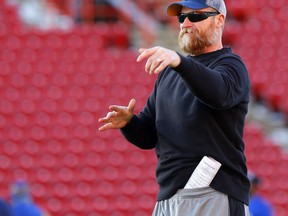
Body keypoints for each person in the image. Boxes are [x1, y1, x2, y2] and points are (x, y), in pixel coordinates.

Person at [98, 0, 251, 215]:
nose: (186, 23)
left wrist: (180, 62)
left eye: (196, 16)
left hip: (212, 191)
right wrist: (129, 123)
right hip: (168, 197)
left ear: (219, 20)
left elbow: (218, 94)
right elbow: (149, 136)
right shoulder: (169, 74)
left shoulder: (231, 65)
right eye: (182, 17)